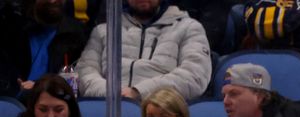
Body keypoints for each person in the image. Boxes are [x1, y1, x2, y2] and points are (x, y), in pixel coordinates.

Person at [76, 0, 211, 102]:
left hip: (162, 109)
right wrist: (113, 92)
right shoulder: (104, 30)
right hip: (108, 106)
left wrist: (138, 92)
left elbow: (195, 76)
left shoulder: (189, 27)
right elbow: (84, 73)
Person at [0, 0, 88, 98]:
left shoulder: (75, 34)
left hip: (52, 102)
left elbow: (73, 85)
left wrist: (43, 86)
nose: (53, 1)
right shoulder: (12, 30)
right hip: (11, 102)